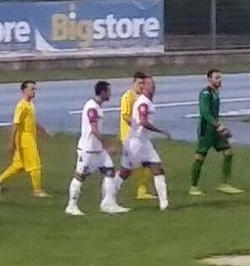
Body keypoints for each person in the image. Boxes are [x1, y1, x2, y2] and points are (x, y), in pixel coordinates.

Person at [65, 80, 129, 216]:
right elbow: (94, 129)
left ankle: (108, 204)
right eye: (109, 91)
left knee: (110, 172)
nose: (110, 94)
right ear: (103, 92)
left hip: (98, 150)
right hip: (88, 150)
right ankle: (71, 206)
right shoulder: (92, 108)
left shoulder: (97, 107)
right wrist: (107, 145)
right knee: (80, 176)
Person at [116, 76, 171, 211]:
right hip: (135, 143)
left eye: (153, 84)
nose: (153, 86)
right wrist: (160, 131)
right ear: (144, 87)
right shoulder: (143, 103)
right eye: (149, 84)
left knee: (157, 168)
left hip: (144, 142)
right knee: (125, 173)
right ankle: (109, 196)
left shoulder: (146, 101)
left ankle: (164, 203)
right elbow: (143, 122)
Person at [0, 80, 50, 198]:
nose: (34, 92)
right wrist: (11, 142)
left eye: (35, 89)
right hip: (25, 140)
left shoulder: (30, 104)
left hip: (29, 138)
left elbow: (33, 122)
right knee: (35, 165)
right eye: (32, 89)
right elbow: (16, 125)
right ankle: (37, 190)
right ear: (24, 90)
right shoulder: (22, 106)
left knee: (18, 165)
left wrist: (43, 131)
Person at [190, 69, 242, 196]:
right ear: (209, 79)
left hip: (215, 130)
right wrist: (217, 125)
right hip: (206, 130)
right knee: (200, 157)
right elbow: (205, 113)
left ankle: (224, 184)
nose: (219, 80)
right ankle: (193, 187)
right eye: (217, 78)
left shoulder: (215, 92)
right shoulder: (206, 93)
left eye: (220, 78)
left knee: (228, 153)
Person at [119, 72, 156, 201]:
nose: (141, 86)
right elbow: (125, 115)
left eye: (143, 83)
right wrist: (137, 124)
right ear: (133, 83)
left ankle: (142, 191)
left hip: (139, 137)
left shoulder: (142, 98)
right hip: (128, 136)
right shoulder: (127, 96)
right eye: (139, 83)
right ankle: (113, 183)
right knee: (131, 167)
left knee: (144, 165)